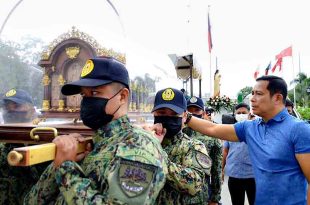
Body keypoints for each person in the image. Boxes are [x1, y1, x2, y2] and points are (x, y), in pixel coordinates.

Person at [24, 57, 168, 205]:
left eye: (94, 93)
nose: (87, 102)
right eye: (84, 95)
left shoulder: (140, 146)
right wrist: (58, 164)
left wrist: (66, 168)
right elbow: (32, 201)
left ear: (122, 96)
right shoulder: (92, 145)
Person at [178, 75, 310, 204]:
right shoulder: (250, 128)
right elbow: (213, 128)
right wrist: (185, 116)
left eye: (258, 94)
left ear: (277, 98)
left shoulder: (299, 130)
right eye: (252, 93)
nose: (252, 99)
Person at [150, 88, 211, 204]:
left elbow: (193, 185)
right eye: (162, 113)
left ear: (184, 116)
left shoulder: (194, 146)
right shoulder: (147, 142)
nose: (167, 118)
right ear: (154, 114)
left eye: (173, 114)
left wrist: (157, 153)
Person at [0, 89, 47, 205]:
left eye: (16, 106)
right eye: (7, 107)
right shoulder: (4, 140)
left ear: (31, 110)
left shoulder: (44, 137)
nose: (10, 111)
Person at [183, 96, 222, 205]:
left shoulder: (211, 134)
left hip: (202, 194)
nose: (193, 113)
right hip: (179, 193)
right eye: (189, 110)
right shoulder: (179, 131)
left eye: (196, 110)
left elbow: (216, 169)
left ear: (203, 112)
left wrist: (215, 198)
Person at [222, 103, 256, 205]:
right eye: (238, 113)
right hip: (234, 175)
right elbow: (225, 151)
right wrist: (222, 170)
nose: (241, 115)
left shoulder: (256, 129)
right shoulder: (231, 130)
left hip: (253, 176)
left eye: (243, 113)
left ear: (249, 113)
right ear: (235, 115)